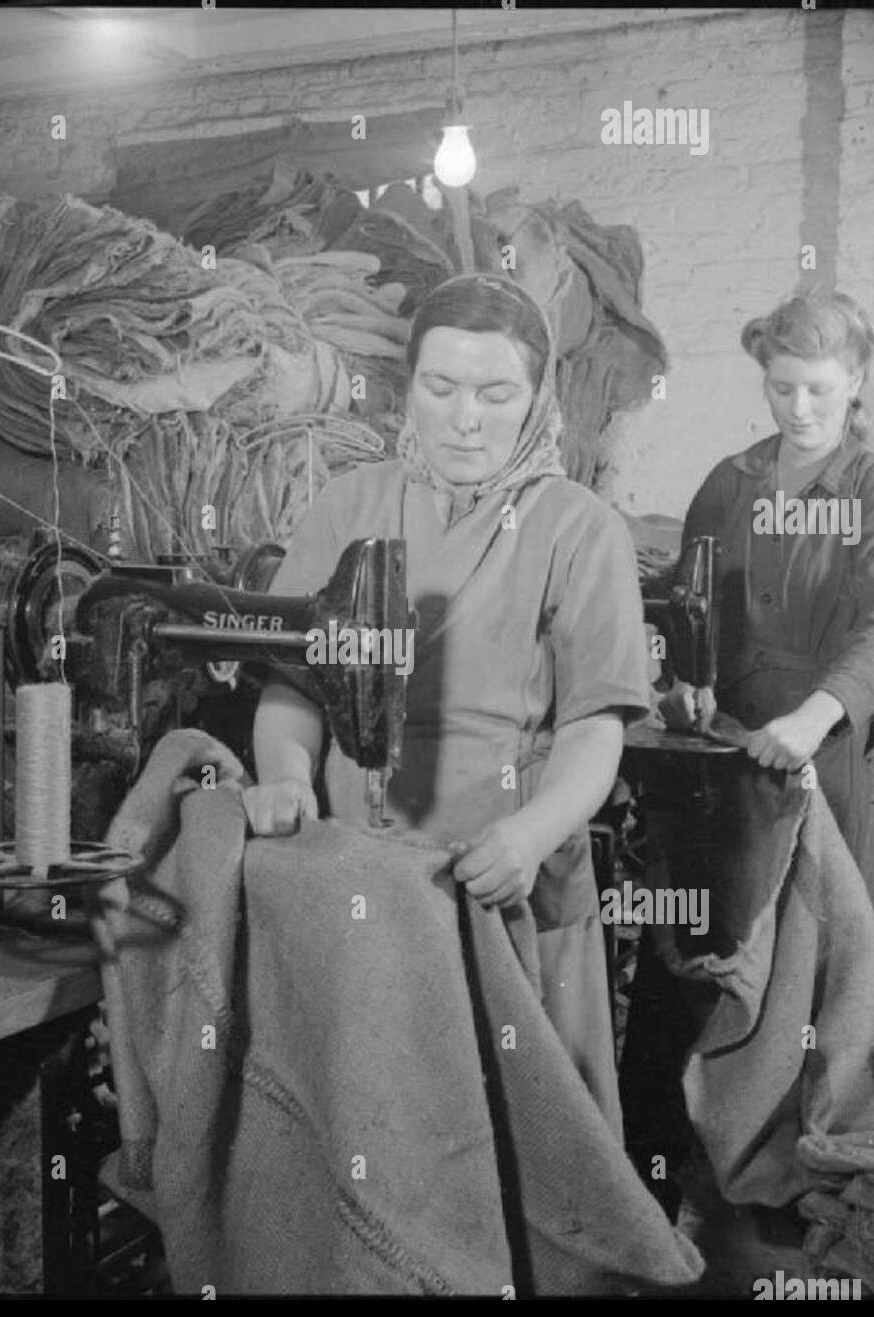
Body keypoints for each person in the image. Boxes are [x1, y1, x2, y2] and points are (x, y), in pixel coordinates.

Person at [242, 272, 649, 1134]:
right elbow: (292, 681)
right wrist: (282, 777)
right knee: (373, 1131)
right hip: (363, 870)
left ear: (537, 399)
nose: (466, 417)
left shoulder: (580, 527)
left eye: (496, 393)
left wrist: (531, 835)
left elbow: (594, 724)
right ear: (409, 389)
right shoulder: (348, 504)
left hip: (510, 876)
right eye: (441, 387)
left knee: (531, 1150)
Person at [660, 289, 874, 864]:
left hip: (821, 753)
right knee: (713, 933)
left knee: (811, 933)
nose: (798, 408)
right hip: (721, 749)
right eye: (782, 388)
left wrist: (814, 716)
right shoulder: (728, 483)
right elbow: (689, 606)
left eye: (819, 389)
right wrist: (684, 682)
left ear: (854, 383)